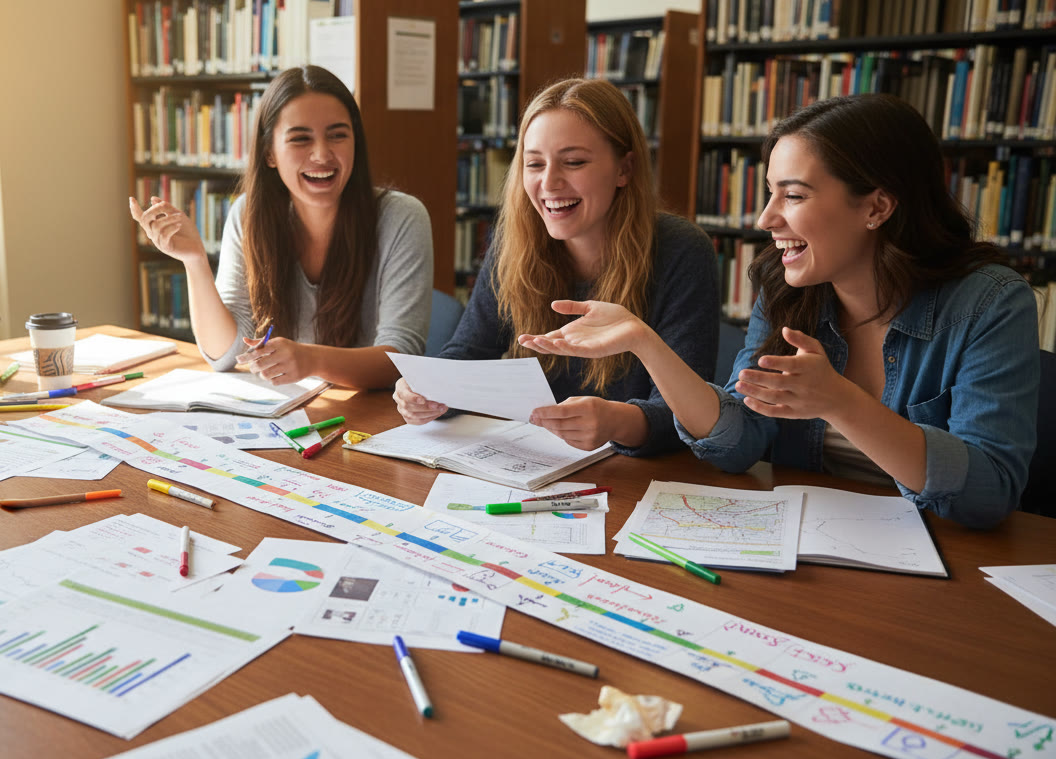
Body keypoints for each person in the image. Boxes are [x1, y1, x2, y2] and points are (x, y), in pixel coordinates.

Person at [518, 94, 1038, 529]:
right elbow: (737, 442)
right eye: (770, 194)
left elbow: (989, 494)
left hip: (945, 567)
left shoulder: (989, 302)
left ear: (877, 207)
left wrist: (841, 403)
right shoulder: (788, 289)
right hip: (809, 546)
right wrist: (644, 342)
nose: (766, 218)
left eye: (792, 195)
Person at [394, 78, 719, 454]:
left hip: (638, 480)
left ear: (624, 168)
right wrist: (426, 390)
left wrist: (616, 422)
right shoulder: (513, 243)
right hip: (534, 461)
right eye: (534, 164)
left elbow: (689, 418)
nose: (549, 182)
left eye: (574, 162)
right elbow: (468, 353)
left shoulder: (682, 252)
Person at [129, 65, 433, 390]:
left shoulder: (402, 218)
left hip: (370, 423)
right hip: (291, 414)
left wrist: (311, 360)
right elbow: (226, 354)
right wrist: (194, 261)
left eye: (338, 135)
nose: (321, 154)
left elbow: (401, 359)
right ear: (269, 154)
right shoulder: (248, 214)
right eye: (301, 139)